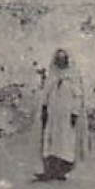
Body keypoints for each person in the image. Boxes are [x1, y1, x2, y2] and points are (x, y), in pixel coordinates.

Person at [37, 48, 85, 181]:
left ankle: (62, 171)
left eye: (63, 59)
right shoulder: (52, 75)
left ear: (67, 60)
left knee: (65, 141)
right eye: (58, 59)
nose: (60, 62)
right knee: (51, 140)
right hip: (53, 114)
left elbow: (78, 96)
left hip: (66, 114)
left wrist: (75, 112)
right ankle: (49, 170)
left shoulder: (73, 76)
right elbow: (46, 94)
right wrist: (44, 108)